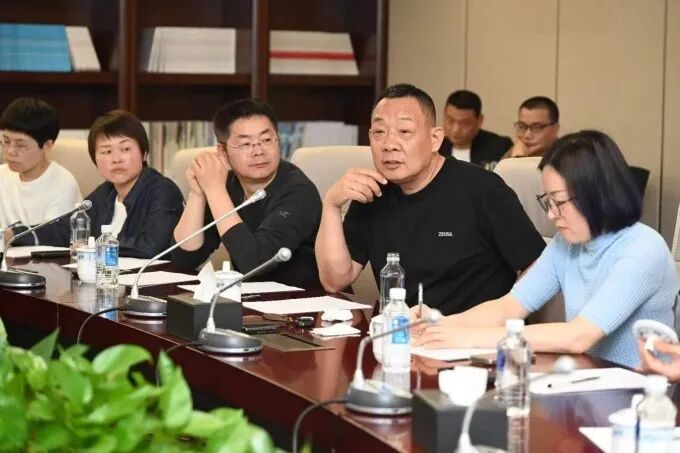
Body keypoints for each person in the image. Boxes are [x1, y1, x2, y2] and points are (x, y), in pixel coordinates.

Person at [414, 130, 678, 368]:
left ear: (598, 194)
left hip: (639, 391)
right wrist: (436, 325)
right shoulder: (567, 243)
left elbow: (578, 336)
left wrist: (469, 338)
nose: (551, 215)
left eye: (559, 202)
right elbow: (509, 307)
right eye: (547, 201)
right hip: (585, 379)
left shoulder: (643, 249)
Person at [315, 83, 545, 315]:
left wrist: (497, 317)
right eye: (379, 132)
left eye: (404, 131)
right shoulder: (371, 193)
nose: (389, 145)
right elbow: (335, 281)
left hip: (475, 332)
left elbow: (539, 267)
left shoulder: (483, 189)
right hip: (402, 330)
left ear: (435, 139)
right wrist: (332, 204)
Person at [172, 99, 322, 289]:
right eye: (245, 144)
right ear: (223, 152)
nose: (258, 151)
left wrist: (215, 190)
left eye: (266, 140)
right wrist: (198, 193)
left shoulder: (299, 190)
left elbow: (255, 262)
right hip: (252, 300)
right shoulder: (227, 185)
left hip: (306, 300)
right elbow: (183, 259)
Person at [26, 110, 184, 258]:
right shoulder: (106, 193)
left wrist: (94, 247)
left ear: (144, 153)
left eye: (125, 149)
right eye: (107, 151)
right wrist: (19, 234)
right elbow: (64, 230)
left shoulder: (163, 192)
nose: (116, 159)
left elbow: (152, 246)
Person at [0, 97, 81, 244]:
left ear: (47, 146)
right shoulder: (2, 175)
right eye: (6, 141)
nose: (10, 151)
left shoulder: (63, 184)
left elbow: (53, 238)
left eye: (21, 145)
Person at [438, 90, 512, 170]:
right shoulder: (436, 148)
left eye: (464, 123)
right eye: (450, 120)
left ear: (479, 120)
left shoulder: (499, 147)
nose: (456, 129)